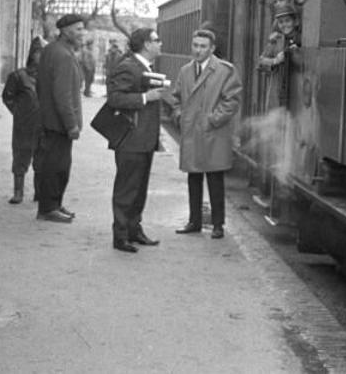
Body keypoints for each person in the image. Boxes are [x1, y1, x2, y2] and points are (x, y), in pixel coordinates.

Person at [171, 28, 242, 239]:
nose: (198, 50)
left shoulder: (225, 70)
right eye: (195, 45)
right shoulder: (185, 71)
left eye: (203, 46)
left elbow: (232, 101)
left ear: (212, 48)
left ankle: (218, 224)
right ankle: (194, 221)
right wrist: (178, 117)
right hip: (193, 132)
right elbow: (175, 97)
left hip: (213, 133)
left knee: (215, 178)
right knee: (193, 178)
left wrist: (212, 120)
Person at [104, 27, 166, 252]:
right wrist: (144, 97)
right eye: (157, 40)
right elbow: (115, 98)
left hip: (143, 139)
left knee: (139, 188)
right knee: (127, 188)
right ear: (146, 44)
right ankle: (120, 236)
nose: (161, 43)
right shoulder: (128, 67)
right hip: (131, 139)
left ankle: (133, 229)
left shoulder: (143, 67)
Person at [35, 14, 86, 223]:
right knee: (57, 167)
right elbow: (62, 95)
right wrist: (71, 124)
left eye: (83, 29)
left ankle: (54, 204)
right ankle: (48, 209)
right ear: (65, 31)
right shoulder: (63, 55)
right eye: (78, 29)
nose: (82, 34)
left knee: (54, 165)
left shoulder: (52, 50)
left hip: (49, 120)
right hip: (58, 124)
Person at [2, 40, 43, 205]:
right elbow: (8, 97)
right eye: (39, 53)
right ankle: (18, 192)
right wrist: (19, 113)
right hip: (24, 124)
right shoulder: (18, 76)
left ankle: (39, 192)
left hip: (43, 124)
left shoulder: (49, 77)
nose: (42, 57)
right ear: (32, 54)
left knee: (42, 158)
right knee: (21, 156)